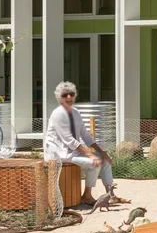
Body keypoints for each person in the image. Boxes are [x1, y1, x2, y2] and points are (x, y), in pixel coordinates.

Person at [43, 81, 119, 209]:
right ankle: (87, 195)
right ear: (59, 97)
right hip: (58, 154)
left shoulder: (76, 112)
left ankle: (110, 195)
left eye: (71, 94)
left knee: (104, 160)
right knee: (95, 163)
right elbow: (69, 140)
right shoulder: (58, 114)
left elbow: (85, 135)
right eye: (64, 95)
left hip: (72, 152)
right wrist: (91, 155)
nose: (68, 97)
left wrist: (102, 152)